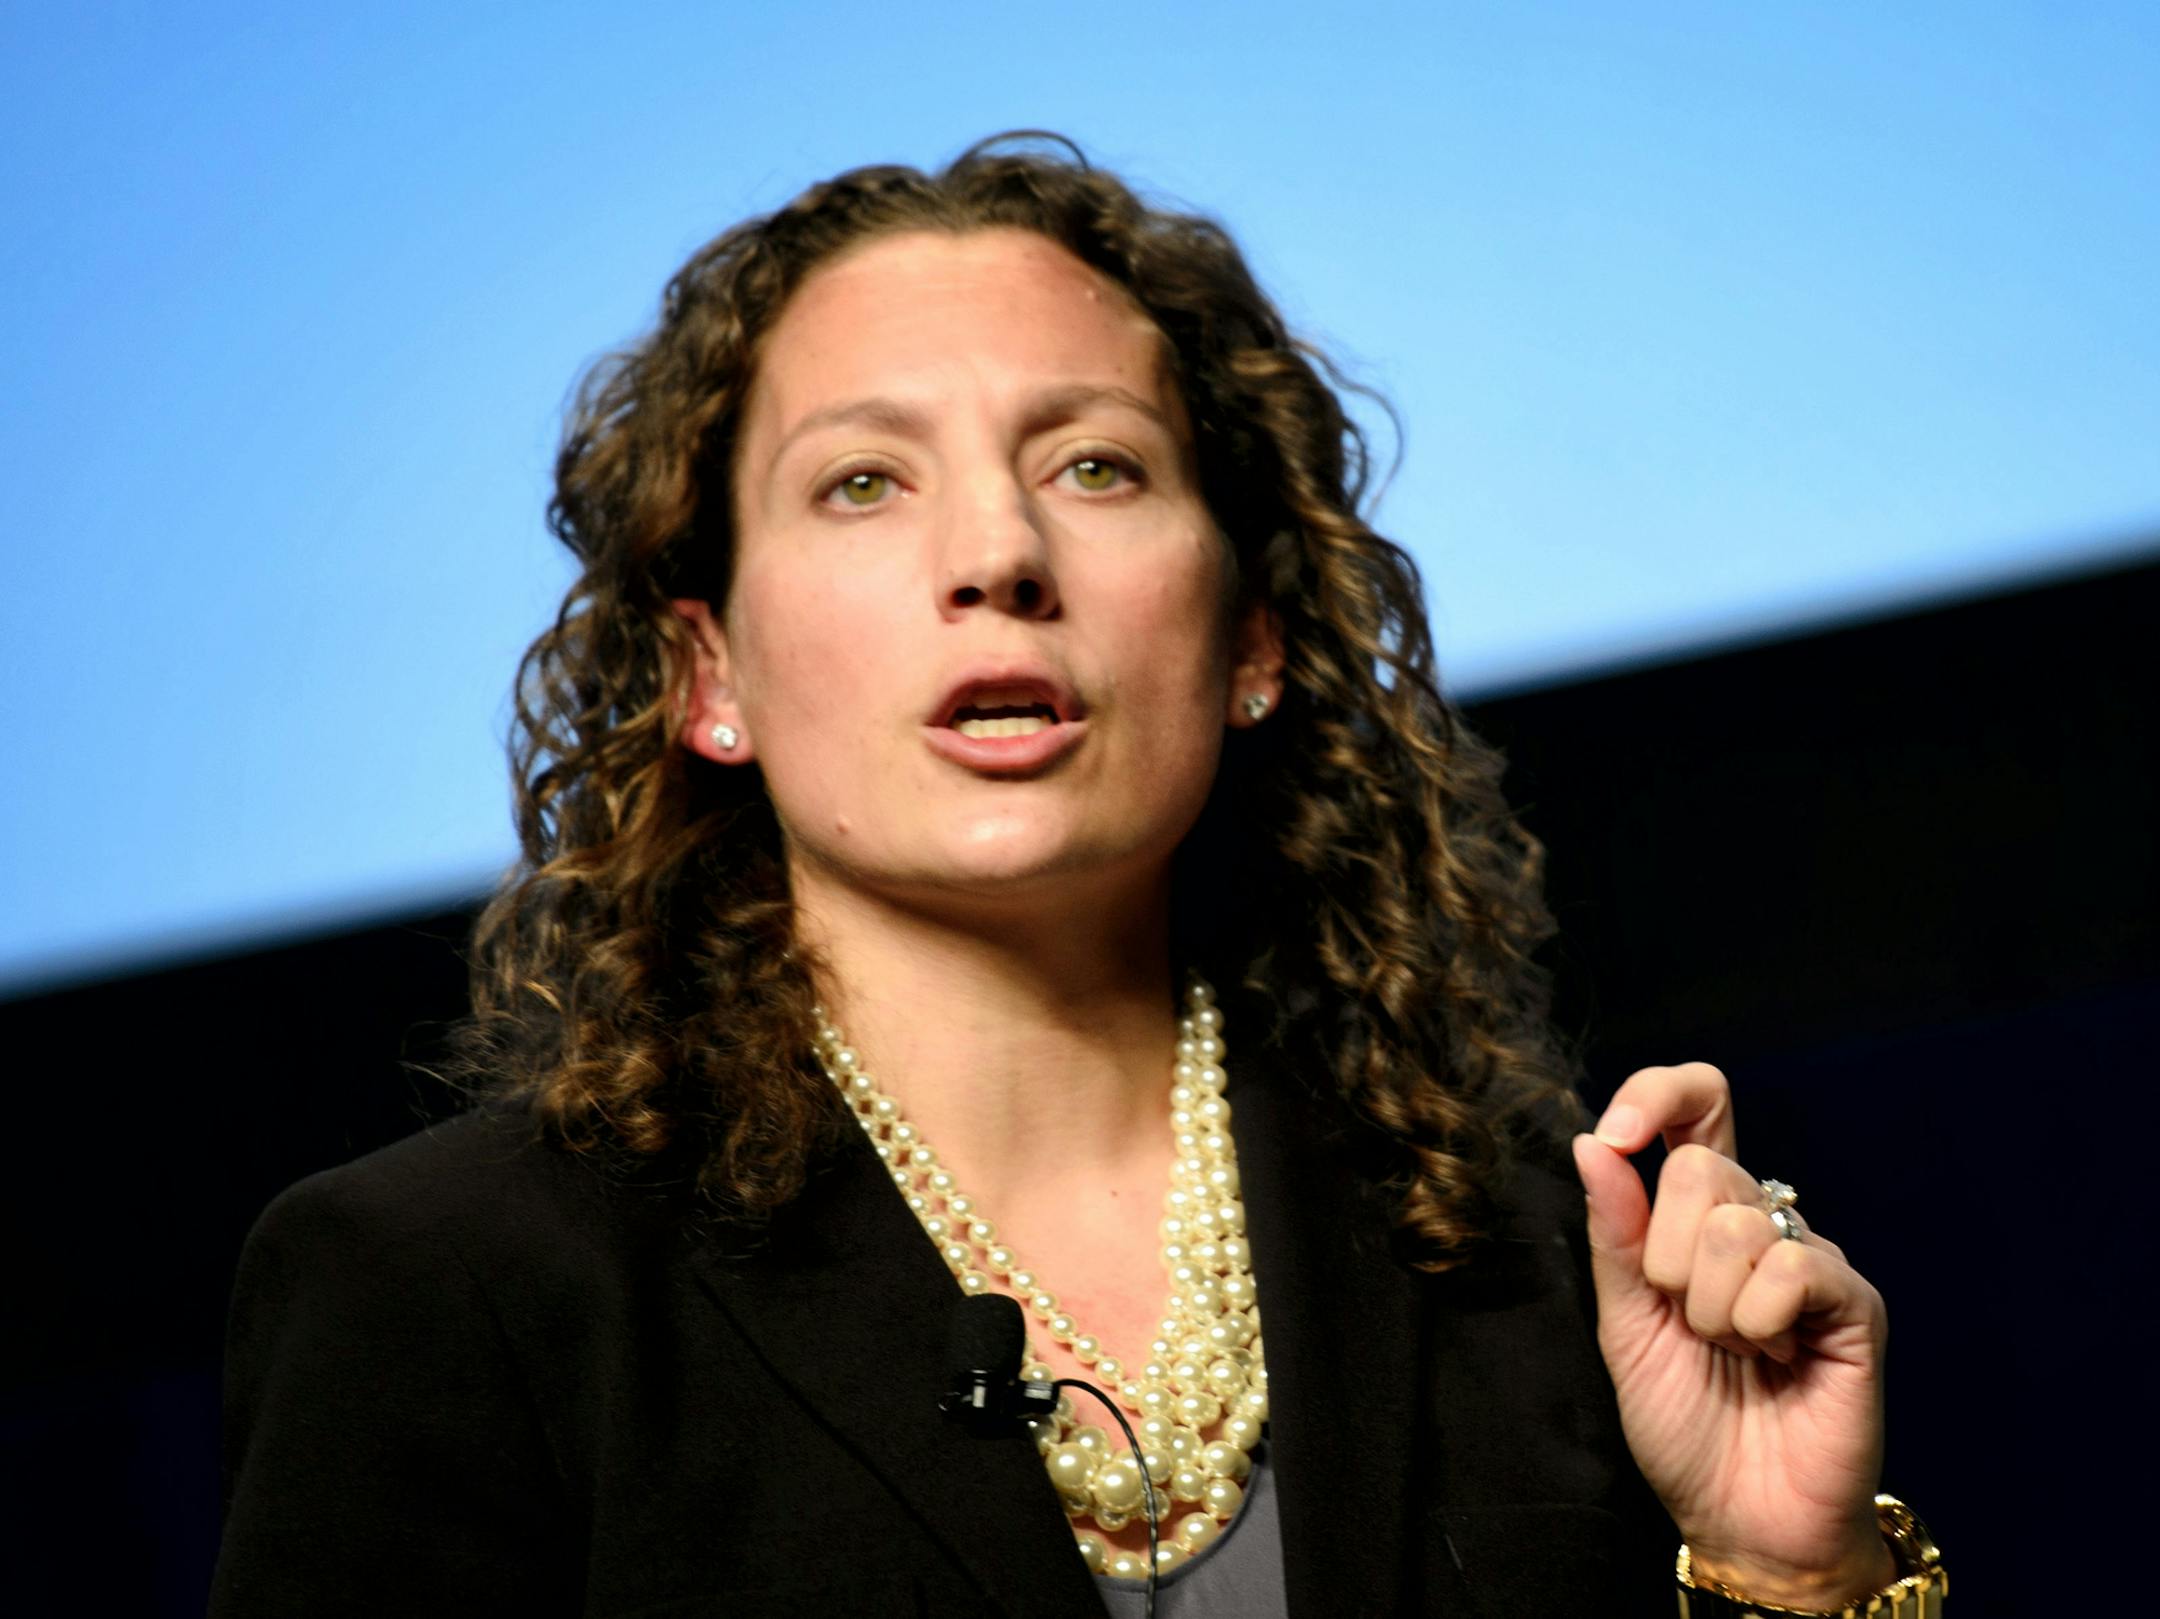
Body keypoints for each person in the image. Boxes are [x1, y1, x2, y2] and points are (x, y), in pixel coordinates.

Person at [209, 132, 1946, 1616]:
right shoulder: (447, 1288)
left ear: (1255, 637)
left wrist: (1792, 1572)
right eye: (865, 483)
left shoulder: (1535, 1253)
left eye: (1095, 466)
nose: (998, 555)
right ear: (709, 679)